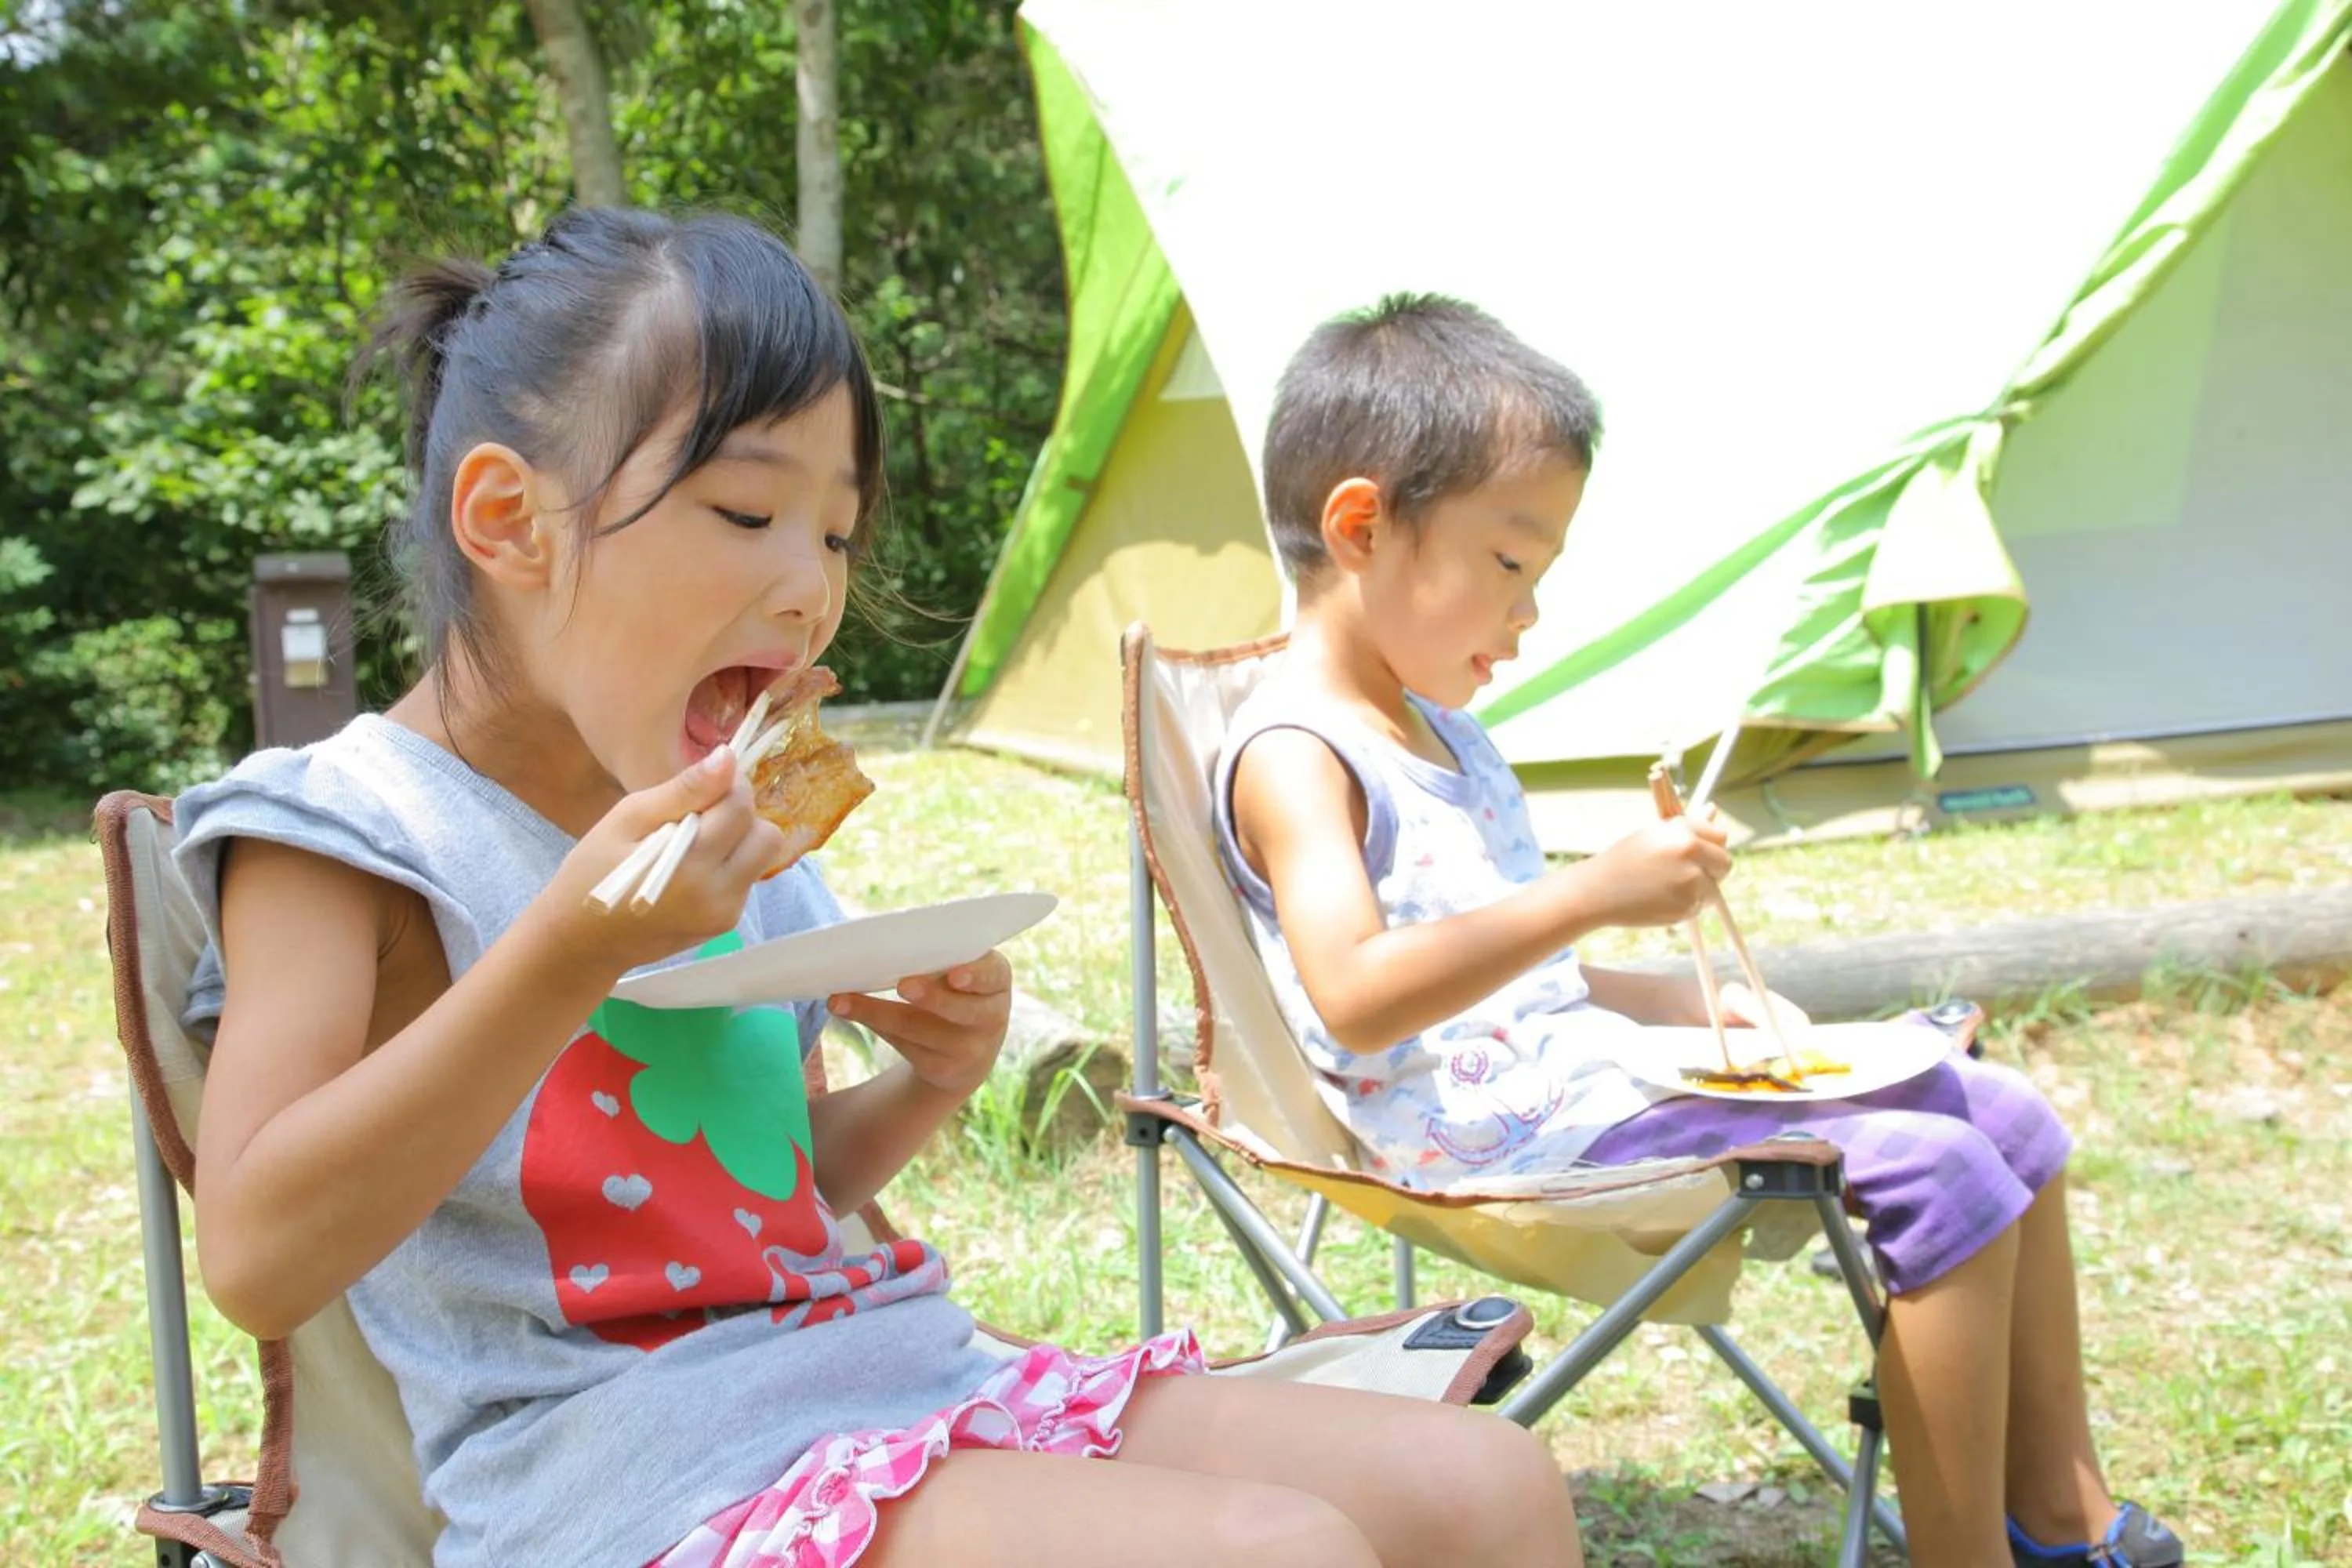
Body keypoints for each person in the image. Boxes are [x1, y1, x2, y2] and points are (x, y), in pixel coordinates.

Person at [171, 210, 1583, 1568]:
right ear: (507, 518)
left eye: (835, 535)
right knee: (1277, 1551)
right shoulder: (343, 833)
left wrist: (927, 1083)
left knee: (1483, 1485)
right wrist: (565, 957)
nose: (809, 590)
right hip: (625, 1476)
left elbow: (753, 1203)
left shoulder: (725, 817)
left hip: (890, 1373)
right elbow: (257, 1256)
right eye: (745, 509)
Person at [1214, 292, 2185, 1568]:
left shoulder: (1444, 734)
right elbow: (1354, 993)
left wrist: (1682, 998)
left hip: (1579, 1092)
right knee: (1942, 1173)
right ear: (1360, 526)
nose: (1530, 616)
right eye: (1512, 567)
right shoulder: (1298, 752)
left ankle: (2057, 1514)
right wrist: (1591, 888)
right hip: (1499, 1145)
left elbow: (1522, 981)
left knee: (2002, 1115)